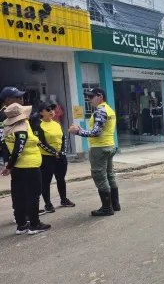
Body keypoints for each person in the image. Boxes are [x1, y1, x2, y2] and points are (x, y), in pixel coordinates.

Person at [69, 88, 119, 217]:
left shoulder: (100, 111)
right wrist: (83, 130)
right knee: (110, 175)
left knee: (100, 176)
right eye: (89, 97)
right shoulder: (109, 109)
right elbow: (100, 130)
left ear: (100, 96)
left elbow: (96, 132)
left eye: (91, 97)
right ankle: (115, 204)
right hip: (109, 145)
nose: (89, 99)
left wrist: (77, 132)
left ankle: (107, 208)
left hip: (100, 148)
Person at [1, 103, 51, 235]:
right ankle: (34, 225)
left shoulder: (7, 128)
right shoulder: (22, 129)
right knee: (33, 196)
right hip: (29, 167)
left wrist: (8, 164)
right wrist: (9, 166)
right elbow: (18, 150)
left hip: (17, 168)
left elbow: (5, 147)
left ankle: (21, 225)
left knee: (19, 196)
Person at [34, 101, 75, 213]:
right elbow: (41, 143)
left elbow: (64, 138)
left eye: (52, 109)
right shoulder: (38, 125)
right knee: (46, 181)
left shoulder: (57, 124)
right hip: (46, 158)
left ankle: (64, 199)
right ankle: (48, 204)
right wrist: (54, 152)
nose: (51, 111)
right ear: (41, 112)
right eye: (48, 109)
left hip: (60, 156)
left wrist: (62, 152)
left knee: (61, 179)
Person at [0, 87, 26, 223]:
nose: (22, 100)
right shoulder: (3, 116)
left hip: (23, 156)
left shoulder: (19, 112)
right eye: (18, 98)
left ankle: (26, 212)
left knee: (25, 188)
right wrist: (7, 161)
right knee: (19, 189)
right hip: (14, 157)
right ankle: (20, 215)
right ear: (8, 100)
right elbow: (4, 141)